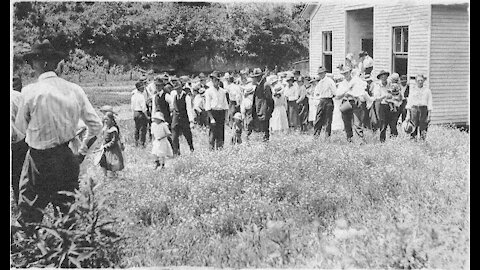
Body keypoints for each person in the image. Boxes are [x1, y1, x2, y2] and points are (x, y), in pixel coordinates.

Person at [15, 39, 103, 223]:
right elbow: (96, 126)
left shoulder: (30, 91)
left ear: (42, 63)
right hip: (66, 156)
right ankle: (68, 248)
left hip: (39, 160)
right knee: (68, 210)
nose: (32, 66)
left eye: (33, 62)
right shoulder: (74, 89)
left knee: (29, 212)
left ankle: (33, 248)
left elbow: (20, 131)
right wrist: (82, 153)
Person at [335, 66, 370, 143]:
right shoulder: (342, 84)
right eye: (344, 74)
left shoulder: (356, 80)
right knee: (346, 122)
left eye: (346, 73)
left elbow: (363, 88)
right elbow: (337, 96)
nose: (345, 75)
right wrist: (346, 92)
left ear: (350, 72)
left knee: (357, 122)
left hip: (355, 102)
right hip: (346, 102)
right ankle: (349, 139)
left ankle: (361, 140)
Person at [11, 75, 28, 205]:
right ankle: (20, 204)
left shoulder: (18, 97)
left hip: (18, 142)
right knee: (19, 175)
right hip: (19, 142)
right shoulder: (18, 97)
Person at [371, 70, 398, 142]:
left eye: (385, 76)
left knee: (393, 124)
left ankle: (394, 141)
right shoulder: (377, 86)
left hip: (391, 105)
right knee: (383, 124)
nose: (384, 78)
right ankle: (382, 141)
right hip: (382, 106)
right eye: (382, 76)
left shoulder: (390, 84)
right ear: (380, 78)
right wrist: (385, 96)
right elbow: (376, 98)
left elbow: (395, 94)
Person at [170, 80, 195, 156]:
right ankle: (176, 152)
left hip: (184, 118)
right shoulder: (174, 96)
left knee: (187, 135)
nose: (178, 91)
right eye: (176, 89)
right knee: (174, 136)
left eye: (179, 89)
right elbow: (173, 107)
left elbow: (189, 109)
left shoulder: (186, 97)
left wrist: (191, 121)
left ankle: (191, 148)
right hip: (176, 118)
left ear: (181, 88)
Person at [205, 71, 229, 150]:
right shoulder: (209, 91)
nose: (216, 82)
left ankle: (220, 150)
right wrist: (211, 118)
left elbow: (225, 106)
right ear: (212, 81)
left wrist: (226, 118)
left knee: (220, 134)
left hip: (220, 113)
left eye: (218, 80)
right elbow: (208, 106)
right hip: (213, 113)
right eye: (214, 80)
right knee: (212, 134)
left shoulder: (223, 91)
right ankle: (211, 151)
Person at [405, 74, 432, 140]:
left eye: (421, 80)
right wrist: (408, 115)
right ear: (416, 81)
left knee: (423, 127)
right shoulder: (413, 90)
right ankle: (413, 141)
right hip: (414, 109)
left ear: (424, 81)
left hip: (423, 109)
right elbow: (409, 103)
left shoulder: (427, 91)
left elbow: (430, 103)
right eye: (418, 80)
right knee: (413, 126)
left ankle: (422, 141)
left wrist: (429, 115)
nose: (420, 82)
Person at [98, 112, 124, 178]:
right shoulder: (105, 128)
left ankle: (114, 177)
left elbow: (114, 141)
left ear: (111, 120)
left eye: (107, 119)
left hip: (112, 150)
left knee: (113, 164)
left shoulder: (113, 129)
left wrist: (106, 146)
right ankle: (105, 176)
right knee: (103, 162)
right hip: (105, 149)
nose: (105, 121)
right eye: (104, 119)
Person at [313, 66, 337, 138]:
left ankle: (327, 136)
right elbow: (316, 93)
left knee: (328, 119)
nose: (320, 75)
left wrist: (330, 96)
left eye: (321, 73)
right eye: (319, 74)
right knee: (318, 118)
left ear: (324, 73)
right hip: (321, 100)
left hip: (328, 100)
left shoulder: (330, 81)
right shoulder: (319, 83)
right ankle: (316, 135)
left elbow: (334, 92)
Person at [252, 67, 273, 141]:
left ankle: (266, 146)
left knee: (265, 132)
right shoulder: (257, 86)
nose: (253, 79)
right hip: (258, 112)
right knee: (259, 132)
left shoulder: (266, 85)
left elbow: (270, 101)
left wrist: (268, 112)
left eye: (255, 77)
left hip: (264, 113)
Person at [131, 81, 148, 147]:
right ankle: (142, 144)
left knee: (136, 128)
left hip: (135, 112)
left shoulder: (133, 96)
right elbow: (143, 107)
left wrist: (133, 113)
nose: (143, 89)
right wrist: (147, 116)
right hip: (140, 113)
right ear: (139, 88)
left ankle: (136, 142)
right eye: (142, 87)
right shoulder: (141, 96)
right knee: (142, 129)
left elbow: (132, 106)